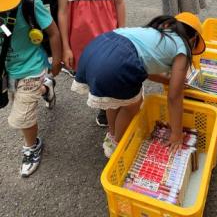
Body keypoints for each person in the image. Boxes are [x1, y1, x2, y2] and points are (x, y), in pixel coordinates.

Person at [71, 12, 206, 158]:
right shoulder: (183, 49)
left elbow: (145, 68)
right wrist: (176, 134)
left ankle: (112, 134)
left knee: (115, 99)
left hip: (99, 47)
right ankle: (118, 145)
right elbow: (174, 97)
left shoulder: (159, 32)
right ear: (193, 40)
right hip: (117, 64)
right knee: (132, 104)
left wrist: (168, 80)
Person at [0, 0, 62, 177]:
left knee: (22, 115)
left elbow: (53, 32)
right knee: (19, 99)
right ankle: (47, 87)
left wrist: (56, 60)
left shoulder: (28, 0)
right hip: (7, 69)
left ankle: (32, 146)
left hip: (32, 66)